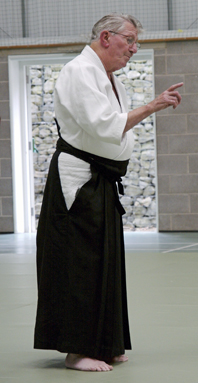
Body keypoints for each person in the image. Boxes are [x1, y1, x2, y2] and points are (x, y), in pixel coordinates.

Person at [34, 14, 183, 372]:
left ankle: (106, 342)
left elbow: (113, 129)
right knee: (80, 263)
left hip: (100, 178)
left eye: (136, 43)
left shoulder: (107, 77)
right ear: (105, 37)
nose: (134, 49)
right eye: (129, 40)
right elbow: (103, 127)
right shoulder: (79, 72)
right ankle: (76, 350)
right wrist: (153, 105)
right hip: (80, 180)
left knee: (105, 262)